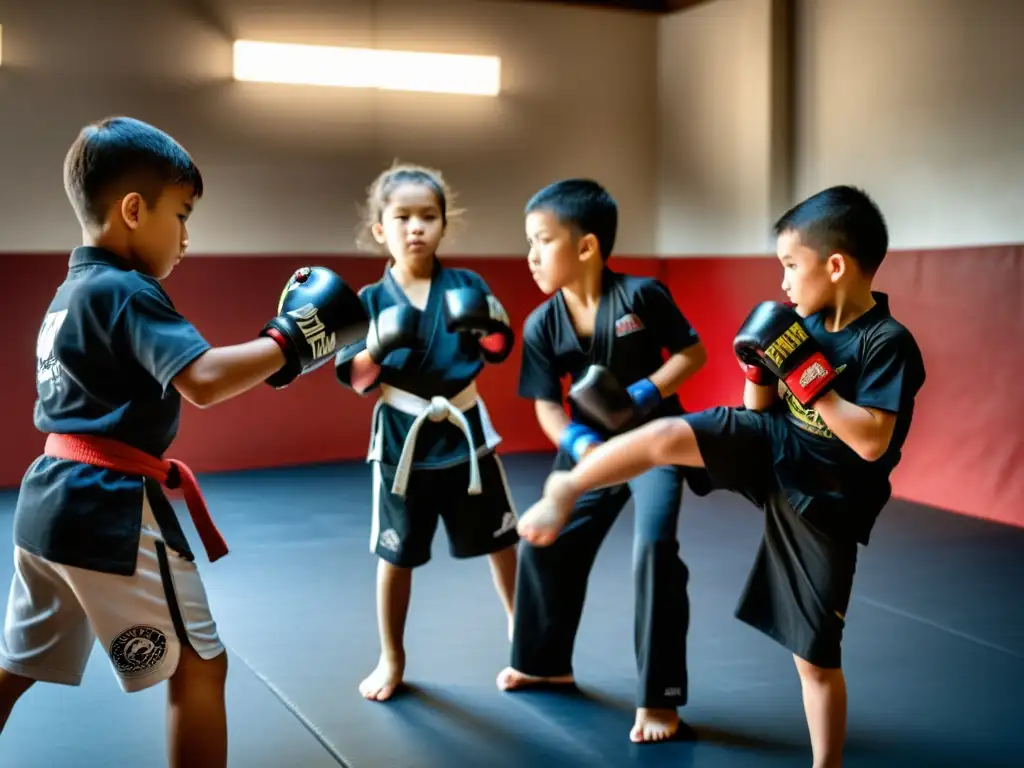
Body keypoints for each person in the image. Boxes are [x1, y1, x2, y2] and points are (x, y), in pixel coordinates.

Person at [0, 116, 368, 768]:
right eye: (182, 214)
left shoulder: (71, 292)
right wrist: (291, 338)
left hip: (47, 505)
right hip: (108, 507)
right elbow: (202, 380)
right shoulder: (128, 290)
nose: (188, 237)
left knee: (18, 667)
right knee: (200, 666)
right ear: (134, 210)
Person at [516, 185, 927, 768]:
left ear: (834, 266)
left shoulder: (887, 342)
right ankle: (569, 485)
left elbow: (869, 440)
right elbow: (758, 414)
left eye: (790, 265)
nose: (782, 283)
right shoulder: (798, 322)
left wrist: (809, 377)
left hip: (830, 492)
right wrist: (758, 366)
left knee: (813, 659)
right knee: (666, 436)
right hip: (777, 444)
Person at [497, 179, 709, 744]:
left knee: (656, 551)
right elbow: (546, 404)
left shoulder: (643, 296)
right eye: (528, 243)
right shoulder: (542, 323)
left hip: (656, 448)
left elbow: (693, 353)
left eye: (542, 241)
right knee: (542, 542)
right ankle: (545, 663)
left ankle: (661, 698)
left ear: (587, 246)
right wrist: (577, 444)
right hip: (590, 452)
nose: (532, 256)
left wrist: (646, 393)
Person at [334, 162, 520, 703]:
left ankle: (523, 635)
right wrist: (378, 344)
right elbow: (357, 378)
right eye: (403, 217)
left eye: (428, 216)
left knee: (502, 541)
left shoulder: (468, 285)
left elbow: (497, 350)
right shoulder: (368, 301)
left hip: (466, 433)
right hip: (402, 437)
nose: (416, 227)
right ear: (380, 230)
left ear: (443, 225)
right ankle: (391, 655)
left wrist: (486, 328)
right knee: (395, 555)